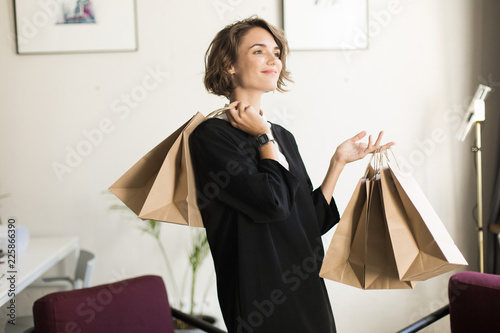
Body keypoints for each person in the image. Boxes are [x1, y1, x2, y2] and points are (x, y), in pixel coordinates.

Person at [190, 17, 393, 333]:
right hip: (260, 299)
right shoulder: (210, 137)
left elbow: (308, 223)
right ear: (229, 64)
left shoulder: (281, 136)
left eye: (276, 51)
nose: (274, 60)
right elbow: (271, 204)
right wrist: (262, 138)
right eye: (259, 51)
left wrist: (337, 163)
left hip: (307, 288)